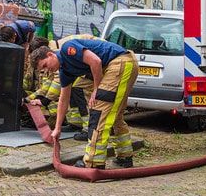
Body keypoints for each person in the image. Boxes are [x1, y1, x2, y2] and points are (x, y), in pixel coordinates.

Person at [30, 38, 138, 169]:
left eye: (45, 65)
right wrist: (57, 128)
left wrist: (96, 90)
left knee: (99, 113)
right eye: (43, 70)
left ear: (50, 54)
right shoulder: (65, 71)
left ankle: (93, 162)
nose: (47, 70)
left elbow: (95, 61)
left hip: (119, 63)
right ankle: (124, 156)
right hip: (124, 63)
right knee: (114, 115)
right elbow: (64, 99)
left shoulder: (67, 49)